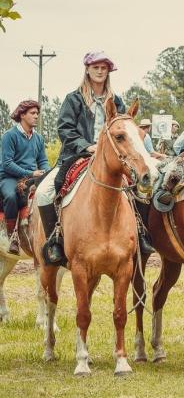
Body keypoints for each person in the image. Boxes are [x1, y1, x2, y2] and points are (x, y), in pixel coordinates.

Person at [34, 51, 130, 265]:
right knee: (43, 192)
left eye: (104, 67)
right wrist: (88, 146)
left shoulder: (117, 101)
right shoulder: (74, 98)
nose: (100, 71)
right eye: (95, 67)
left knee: (139, 189)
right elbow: (65, 129)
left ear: (108, 72)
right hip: (76, 156)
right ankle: (55, 243)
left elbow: (124, 128)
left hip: (111, 160)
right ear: (87, 69)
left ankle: (141, 237)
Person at [1, 100, 49, 254]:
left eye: (37, 113)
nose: (36, 116)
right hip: (9, 177)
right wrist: (30, 173)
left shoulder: (38, 138)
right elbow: (7, 163)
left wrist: (48, 173)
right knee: (10, 196)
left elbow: (43, 161)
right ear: (22, 115)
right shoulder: (9, 135)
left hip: (30, 177)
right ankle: (12, 236)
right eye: (32, 113)